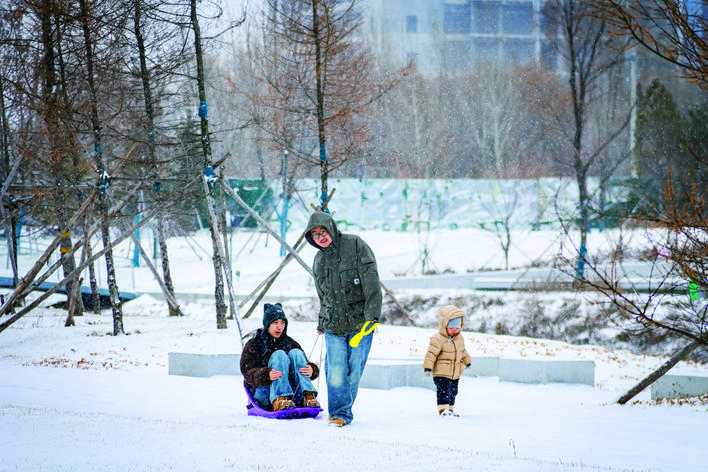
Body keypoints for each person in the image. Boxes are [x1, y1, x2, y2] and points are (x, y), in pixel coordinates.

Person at [304, 211, 382, 427]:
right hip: (333, 324)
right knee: (336, 370)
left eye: (323, 231)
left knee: (354, 369)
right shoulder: (318, 260)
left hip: (361, 323)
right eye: (315, 235)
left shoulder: (355, 245)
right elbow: (323, 295)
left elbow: (371, 282)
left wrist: (372, 317)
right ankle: (340, 414)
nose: (320, 237)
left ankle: (341, 410)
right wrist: (322, 321)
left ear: (331, 228)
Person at [240, 303, 321, 411]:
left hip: (292, 396)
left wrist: (312, 370)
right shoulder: (255, 343)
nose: (280, 326)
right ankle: (279, 399)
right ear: (267, 324)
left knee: (296, 353)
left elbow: (304, 363)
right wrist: (266, 374)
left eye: (283, 322)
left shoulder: (290, 343)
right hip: (264, 394)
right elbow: (247, 373)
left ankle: (308, 397)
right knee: (279, 355)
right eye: (275, 322)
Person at [423, 305, 472, 417]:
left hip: (455, 372)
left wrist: (467, 361)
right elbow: (431, 354)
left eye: (457, 328)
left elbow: (463, 351)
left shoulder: (459, 338)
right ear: (444, 326)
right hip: (441, 372)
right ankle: (443, 410)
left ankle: (450, 409)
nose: (455, 331)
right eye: (451, 328)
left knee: (453, 392)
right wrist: (427, 367)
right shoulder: (438, 339)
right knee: (444, 391)